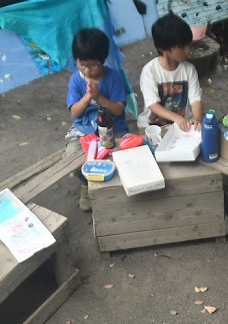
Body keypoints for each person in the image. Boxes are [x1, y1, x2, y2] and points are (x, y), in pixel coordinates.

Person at [65, 28, 128, 212]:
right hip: (84, 128)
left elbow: (118, 109)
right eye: (81, 64)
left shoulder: (114, 77)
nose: (86, 70)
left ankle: (112, 188)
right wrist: (87, 97)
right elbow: (75, 113)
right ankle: (86, 184)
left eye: (92, 65)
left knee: (123, 156)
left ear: (103, 60)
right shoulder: (76, 80)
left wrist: (99, 97)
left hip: (113, 127)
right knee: (72, 157)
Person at [137, 13, 203, 132]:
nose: (188, 50)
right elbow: (153, 104)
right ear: (163, 48)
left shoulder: (189, 69)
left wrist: (198, 119)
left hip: (182, 125)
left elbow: (195, 99)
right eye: (181, 46)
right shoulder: (149, 71)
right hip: (152, 127)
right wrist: (176, 117)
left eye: (189, 44)